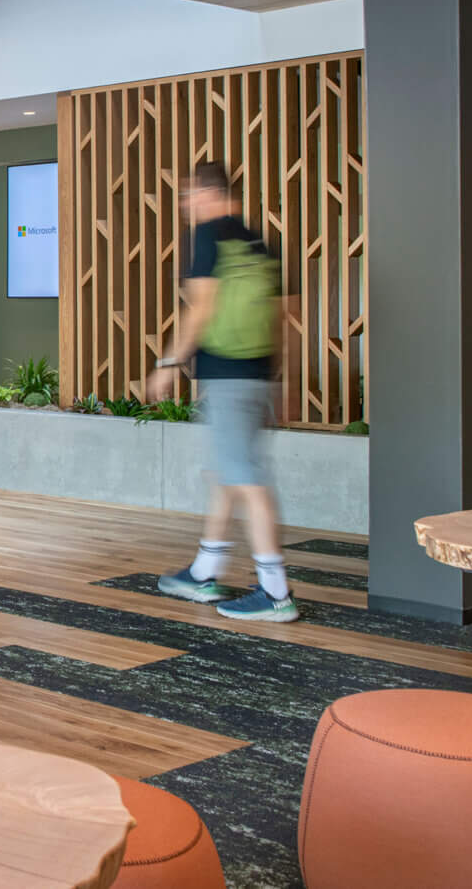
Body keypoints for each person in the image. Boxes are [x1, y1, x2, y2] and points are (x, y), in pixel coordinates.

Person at [149, 161, 296, 622]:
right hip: (255, 374)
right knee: (227, 474)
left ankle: (275, 592)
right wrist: (281, 380)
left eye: (188, 197)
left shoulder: (210, 236)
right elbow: (282, 316)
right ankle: (203, 570)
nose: (186, 207)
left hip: (226, 374)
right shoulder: (258, 243)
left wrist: (168, 362)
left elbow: (201, 310)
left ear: (208, 193)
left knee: (247, 480)